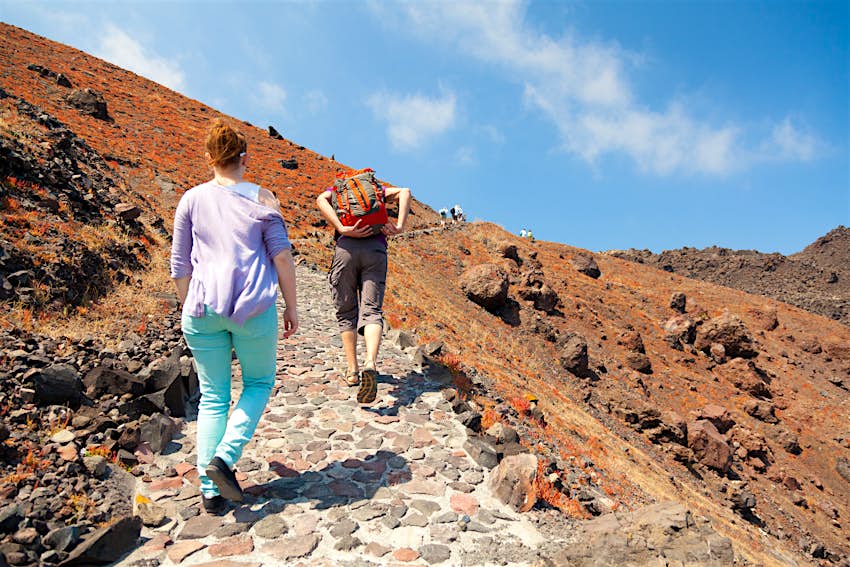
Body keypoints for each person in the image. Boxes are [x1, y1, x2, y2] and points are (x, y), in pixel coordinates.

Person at [170, 119, 298, 515]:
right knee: (258, 382)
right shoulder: (263, 198)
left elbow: (179, 265)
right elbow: (280, 255)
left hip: (202, 308)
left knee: (213, 397)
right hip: (253, 310)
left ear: (209, 157)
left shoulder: (191, 199)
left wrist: (189, 305)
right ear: (244, 157)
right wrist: (291, 306)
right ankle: (224, 459)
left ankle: (210, 494)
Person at [316, 177, 411, 404]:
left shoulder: (338, 191)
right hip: (375, 250)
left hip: (345, 249)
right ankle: (371, 362)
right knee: (371, 311)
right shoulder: (378, 190)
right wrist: (399, 226)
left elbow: (320, 200)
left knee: (346, 312)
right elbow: (405, 191)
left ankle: (352, 370)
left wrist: (341, 228)